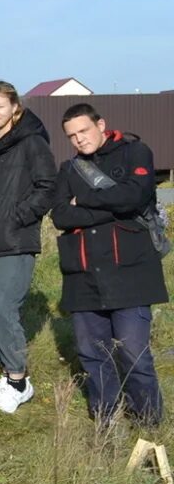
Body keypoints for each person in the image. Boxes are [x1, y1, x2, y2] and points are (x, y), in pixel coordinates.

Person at [51, 103, 167, 427]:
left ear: (101, 124)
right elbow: (60, 214)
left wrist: (84, 201)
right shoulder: (69, 169)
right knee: (92, 356)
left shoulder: (136, 151)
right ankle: (106, 423)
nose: (78, 140)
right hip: (83, 277)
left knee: (134, 355)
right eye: (71, 136)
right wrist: (112, 205)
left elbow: (137, 197)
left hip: (130, 272)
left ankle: (149, 424)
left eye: (83, 131)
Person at [0, 81, 56, 414]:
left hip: (15, 239)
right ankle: (7, 375)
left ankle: (20, 381)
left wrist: (18, 217)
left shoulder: (32, 141)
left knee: (0, 310)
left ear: (14, 107)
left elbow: (47, 186)